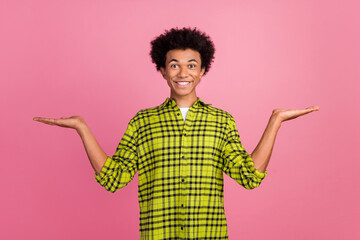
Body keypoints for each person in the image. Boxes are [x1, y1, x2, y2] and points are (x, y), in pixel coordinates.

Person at [33, 27, 319, 240]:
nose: (183, 72)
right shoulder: (143, 123)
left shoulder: (221, 121)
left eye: (191, 65)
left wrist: (276, 121)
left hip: (210, 234)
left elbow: (249, 176)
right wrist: (82, 128)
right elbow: (113, 178)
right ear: (162, 70)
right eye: (174, 65)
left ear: (203, 70)